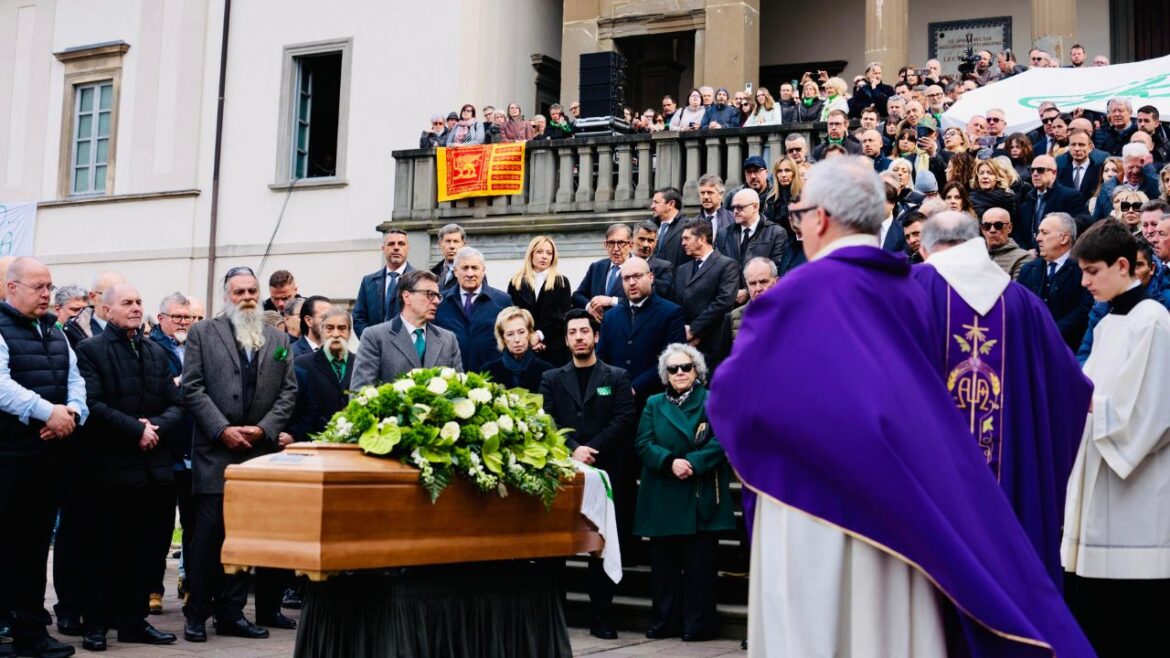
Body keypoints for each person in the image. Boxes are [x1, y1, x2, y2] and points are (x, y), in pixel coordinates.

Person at [708, 157, 1093, 657]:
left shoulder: (799, 293)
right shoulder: (910, 292)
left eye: (799, 215)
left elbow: (733, 398)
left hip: (820, 507)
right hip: (916, 511)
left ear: (820, 218)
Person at [913, 212, 1092, 588]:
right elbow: (1070, 389)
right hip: (1009, 484)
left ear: (926, 248)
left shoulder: (910, 290)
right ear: (975, 241)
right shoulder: (1024, 303)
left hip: (928, 480)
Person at [1062, 220, 1170, 656]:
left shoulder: (1153, 321)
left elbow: (1153, 410)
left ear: (1122, 265)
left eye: (1092, 271)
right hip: (1098, 472)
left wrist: (1088, 403)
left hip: (1137, 486)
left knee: (1134, 616)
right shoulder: (1108, 324)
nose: (1085, 282)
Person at [180, 266, 297, 643]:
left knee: (246, 538)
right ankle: (197, 613)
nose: (246, 297)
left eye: (251, 291)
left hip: (259, 454)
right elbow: (192, 388)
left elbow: (289, 391)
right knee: (207, 539)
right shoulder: (202, 333)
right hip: (216, 453)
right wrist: (222, 429)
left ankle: (231, 614)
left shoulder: (278, 337)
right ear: (226, 296)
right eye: (239, 292)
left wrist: (265, 428)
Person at [73, 283, 183, 651]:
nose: (136, 307)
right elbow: (91, 404)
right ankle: (95, 625)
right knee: (103, 551)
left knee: (144, 551)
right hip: (110, 469)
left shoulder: (154, 351)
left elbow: (177, 404)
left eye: (138, 302)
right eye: (127, 303)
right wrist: (136, 430)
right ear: (106, 310)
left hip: (152, 469)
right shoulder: (90, 350)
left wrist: (155, 427)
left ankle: (133, 622)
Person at [0, 258, 89, 658]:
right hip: (9, 457)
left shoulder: (54, 330)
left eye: (49, 287)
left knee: (34, 549)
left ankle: (30, 632)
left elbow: (76, 380)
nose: (46, 294)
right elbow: (1, 386)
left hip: (48, 458)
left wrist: (71, 414)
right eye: (38, 287)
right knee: (7, 546)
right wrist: (46, 412)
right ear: (11, 287)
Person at [539, 309, 635, 640]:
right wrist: (573, 449)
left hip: (608, 472)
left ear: (596, 337)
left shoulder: (617, 377)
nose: (579, 337)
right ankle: (556, 617)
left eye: (584, 331)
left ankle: (601, 616)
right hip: (564, 473)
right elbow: (547, 419)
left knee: (601, 543)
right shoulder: (551, 378)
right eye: (573, 332)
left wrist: (591, 448)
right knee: (557, 545)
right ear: (566, 340)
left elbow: (624, 418)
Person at [633, 344, 734, 642]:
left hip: (699, 491)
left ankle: (698, 624)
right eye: (673, 368)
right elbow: (643, 443)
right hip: (663, 491)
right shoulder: (653, 403)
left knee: (699, 567)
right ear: (665, 374)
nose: (679, 373)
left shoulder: (712, 400)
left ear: (697, 371)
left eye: (686, 367)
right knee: (664, 567)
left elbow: (722, 439)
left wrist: (692, 462)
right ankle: (665, 621)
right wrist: (669, 462)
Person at [147, 292, 195, 612]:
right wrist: (175, 384)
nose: (182, 322)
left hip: (193, 449)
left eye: (187, 317)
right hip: (163, 449)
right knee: (158, 526)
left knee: (193, 525)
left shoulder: (198, 348)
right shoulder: (151, 348)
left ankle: (190, 584)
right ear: (161, 317)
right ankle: (153, 588)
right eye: (176, 316)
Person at [597, 257, 686, 407]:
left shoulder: (671, 313)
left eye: (637, 276)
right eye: (626, 278)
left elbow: (672, 360)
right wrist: (605, 392)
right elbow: (601, 361)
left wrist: (634, 388)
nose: (631, 282)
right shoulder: (610, 317)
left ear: (651, 277)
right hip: (615, 403)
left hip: (656, 402)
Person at [351, 270, 461, 389]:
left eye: (438, 296)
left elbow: (459, 389)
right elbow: (360, 391)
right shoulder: (375, 336)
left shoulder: (448, 339)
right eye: (430, 294)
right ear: (407, 297)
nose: (436, 301)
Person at [1017, 213, 1095, 351]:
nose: (1038, 238)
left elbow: (1085, 308)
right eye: (1038, 232)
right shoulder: (1028, 270)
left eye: (1044, 233)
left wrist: (1052, 332)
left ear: (1064, 238)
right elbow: (1019, 307)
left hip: (1070, 350)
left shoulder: (1084, 269)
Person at [433, 247, 511, 372]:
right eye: (464, 268)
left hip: (492, 376)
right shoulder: (440, 302)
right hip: (451, 376)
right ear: (455, 271)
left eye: (474, 268)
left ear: (483, 271)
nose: (470, 274)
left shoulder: (503, 301)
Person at [670, 220, 738, 361]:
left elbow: (724, 302)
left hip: (713, 343)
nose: (682, 243)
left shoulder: (727, 265)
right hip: (685, 344)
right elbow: (675, 303)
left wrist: (695, 331)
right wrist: (683, 331)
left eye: (686, 238)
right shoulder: (682, 269)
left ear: (701, 239)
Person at [507, 236, 572, 365]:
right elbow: (512, 315)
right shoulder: (516, 282)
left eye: (549, 253)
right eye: (539, 252)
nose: (544, 256)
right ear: (531, 254)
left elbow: (563, 317)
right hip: (523, 347)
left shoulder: (561, 282)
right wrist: (528, 338)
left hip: (553, 349)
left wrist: (539, 335)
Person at [715, 189, 787, 304]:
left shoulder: (776, 233)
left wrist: (747, 291)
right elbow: (718, 269)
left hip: (761, 300)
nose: (735, 211)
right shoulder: (723, 234)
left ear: (755, 206)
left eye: (740, 207)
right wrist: (731, 292)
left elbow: (776, 270)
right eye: (733, 207)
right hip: (728, 301)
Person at [292, 307, 354, 435]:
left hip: (354, 438)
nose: (335, 334)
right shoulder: (302, 365)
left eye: (342, 328)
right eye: (329, 328)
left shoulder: (361, 364)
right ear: (321, 331)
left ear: (349, 332)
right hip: (314, 439)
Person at [352, 229, 415, 338]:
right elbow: (359, 318)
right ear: (383, 248)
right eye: (391, 244)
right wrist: (371, 342)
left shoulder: (419, 280)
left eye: (401, 244)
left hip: (408, 345)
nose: (396, 247)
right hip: (375, 345)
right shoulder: (368, 282)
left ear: (407, 248)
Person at [1017, 155, 1087, 250]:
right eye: (1032, 170)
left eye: (1040, 170)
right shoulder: (1027, 199)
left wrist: (1038, 251)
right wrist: (1026, 252)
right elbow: (1019, 232)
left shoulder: (1071, 197)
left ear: (1054, 173)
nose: (1035, 174)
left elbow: (1073, 231)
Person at [715, 257, 777, 363]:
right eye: (752, 283)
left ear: (777, 282)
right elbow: (723, 364)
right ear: (747, 286)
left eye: (763, 282)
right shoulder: (732, 318)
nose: (758, 288)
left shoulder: (793, 314)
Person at [572, 224, 633, 321]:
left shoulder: (639, 269)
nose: (616, 248)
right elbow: (577, 296)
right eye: (611, 243)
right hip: (598, 326)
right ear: (605, 244)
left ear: (631, 245)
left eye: (621, 243)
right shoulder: (597, 267)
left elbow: (643, 302)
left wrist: (612, 301)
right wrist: (590, 307)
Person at [483, 307, 552, 391]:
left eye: (521, 332)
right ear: (503, 338)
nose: (517, 339)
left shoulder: (547, 371)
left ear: (530, 333)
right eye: (510, 334)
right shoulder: (488, 371)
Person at [62, 271, 126, 348]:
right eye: (111, 295)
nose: (120, 301)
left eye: (124, 296)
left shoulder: (135, 330)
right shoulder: (75, 332)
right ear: (93, 297)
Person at [980, 207, 1033, 279]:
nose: (992, 230)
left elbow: (1018, 286)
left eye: (998, 225)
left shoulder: (1023, 257)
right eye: (987, 226)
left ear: (1009, 228)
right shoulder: (975, 256)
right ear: (982, 229)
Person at [631, 221, 675, 301]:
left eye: (650, 240)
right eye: (641, 239)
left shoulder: (664, 267)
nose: (646, 245)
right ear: (632, 240)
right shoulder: (622, 263)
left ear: (655, 243)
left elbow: (664, 293)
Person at [651, 187, 687, 267]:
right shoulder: (650, 226)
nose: (652, 206)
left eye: (656, 202)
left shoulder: (687, 228)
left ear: (671, 204)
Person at [429, 223, 466, 292]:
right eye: (448, 241)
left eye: (456, 241)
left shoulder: (472, 273)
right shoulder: (433, 274)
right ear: (440, 244)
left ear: (463, 244)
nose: (452, 246)